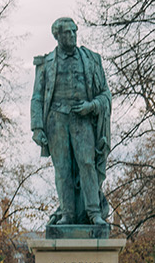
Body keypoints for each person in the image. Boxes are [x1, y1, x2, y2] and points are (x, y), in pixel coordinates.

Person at [31, 17, 111, 227]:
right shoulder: (46, 63)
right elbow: (37, 97)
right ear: (57, 36)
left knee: (87, 164)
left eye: (74, 31)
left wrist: (91, 106)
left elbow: (105, 93)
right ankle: (68, 213)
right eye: (67, 32)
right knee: (63, 169)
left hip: (82, 118)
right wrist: (37, 127)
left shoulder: (92, 60)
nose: (72, 36)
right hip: (56, 120)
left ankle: (94, 213)